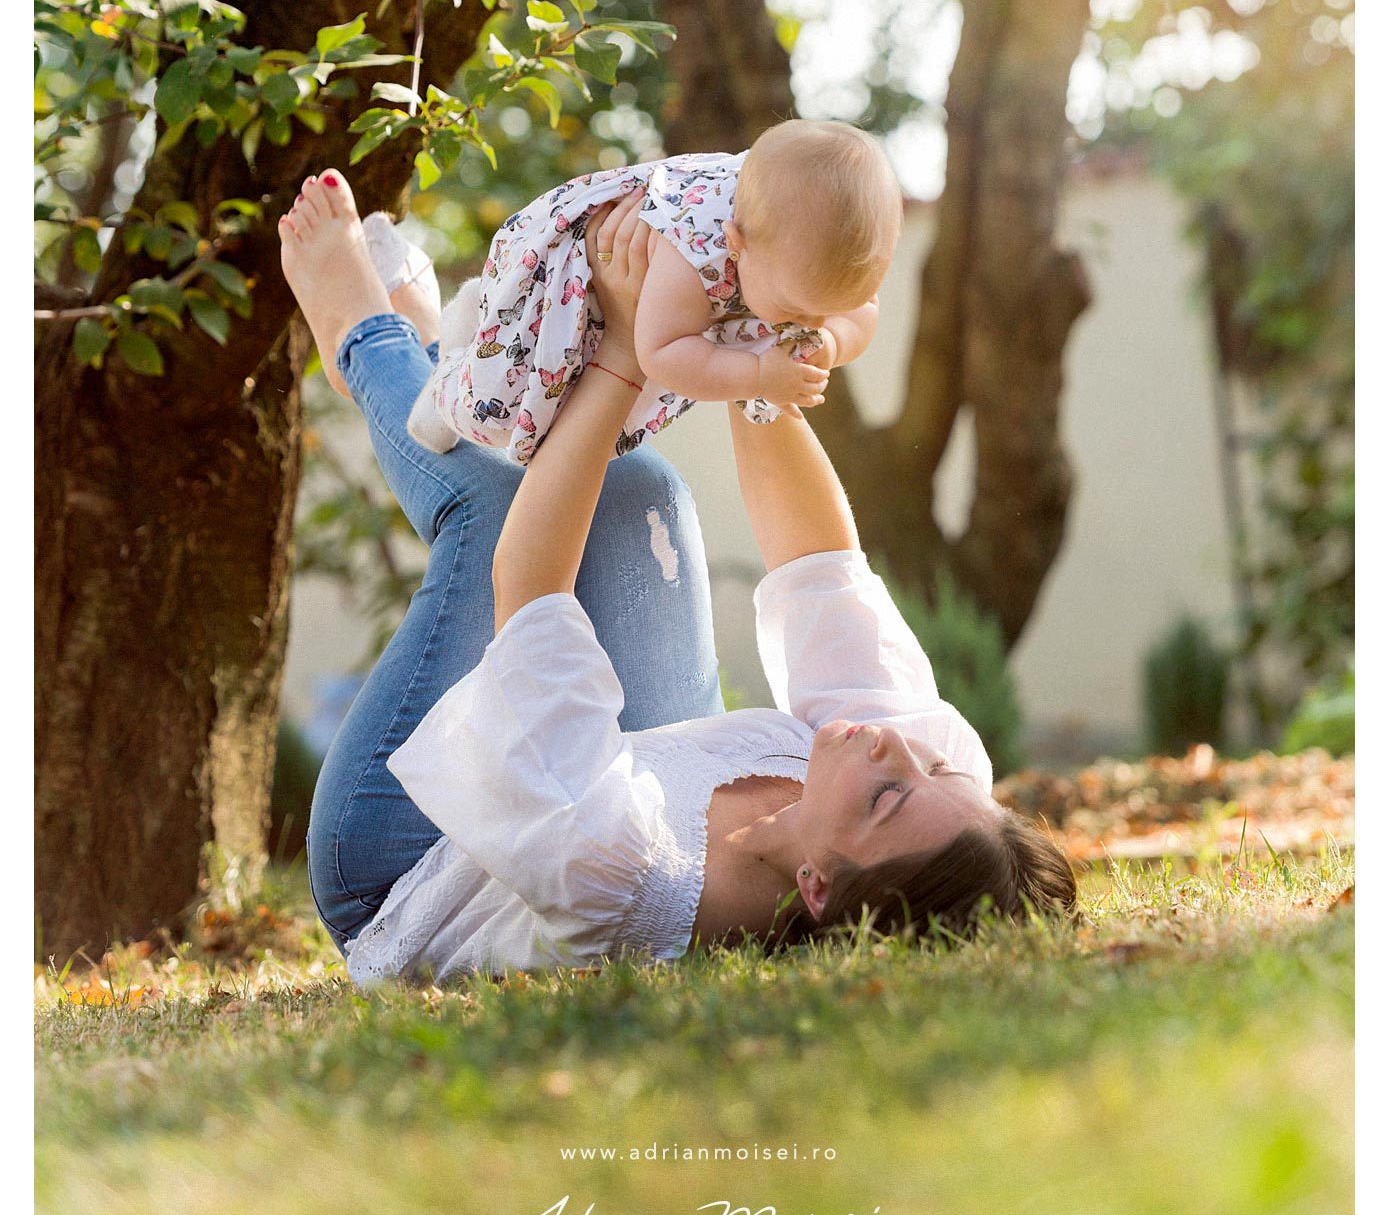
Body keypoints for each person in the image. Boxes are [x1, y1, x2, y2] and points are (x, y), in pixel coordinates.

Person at [279, 170, 1075, 988]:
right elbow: (821, 570)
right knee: (639, 491)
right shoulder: (940, 800)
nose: (898, 747)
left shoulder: (624, 875)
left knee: (487, 519)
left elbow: (527, 584)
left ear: (818, 888)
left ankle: (369, 342)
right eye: (934, 770)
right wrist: (755, 340)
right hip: (632, 768)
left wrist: (624, 352)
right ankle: (457, 376)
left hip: (409, 857)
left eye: (888, 796)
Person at [406, 119, 901, 464]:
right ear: (736, 243)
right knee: (500, 413)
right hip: (568, 295)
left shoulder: (796, 233)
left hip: (659, 305)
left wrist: (833, 343)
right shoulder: (696, 247)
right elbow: (662, 353)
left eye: (830, 309)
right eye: (799, 308)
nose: (811, 324)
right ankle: (452, 371)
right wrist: (757, 374)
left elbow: (862, 312)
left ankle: (481, 316)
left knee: (583, 434)